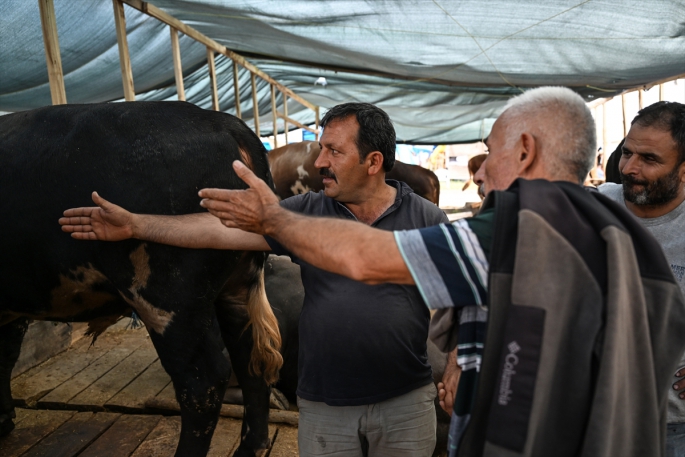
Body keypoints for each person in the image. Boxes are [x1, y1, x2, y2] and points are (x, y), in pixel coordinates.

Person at [191, 87, 685, 456]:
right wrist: (460, 362)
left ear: (526, 152)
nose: (482, 171)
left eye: (491, 151)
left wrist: (275, 218)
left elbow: (367, 258)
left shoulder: (522, 229)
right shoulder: (619, 230)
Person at [60, 102, 448, 457]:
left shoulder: (427, 219)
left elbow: (466, 299)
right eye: (321, 149)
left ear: (373, 161)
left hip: (406, 404)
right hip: (327, 406)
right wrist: (136, 224)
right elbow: (216, 231)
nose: (319, 164)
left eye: (334, 151)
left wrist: (464, 362)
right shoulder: (306, 212)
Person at [598, 101, 685, 457]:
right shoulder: (591, 208)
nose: (629, 168)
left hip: (671, 428)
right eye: (627, 153)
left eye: (649, 159)